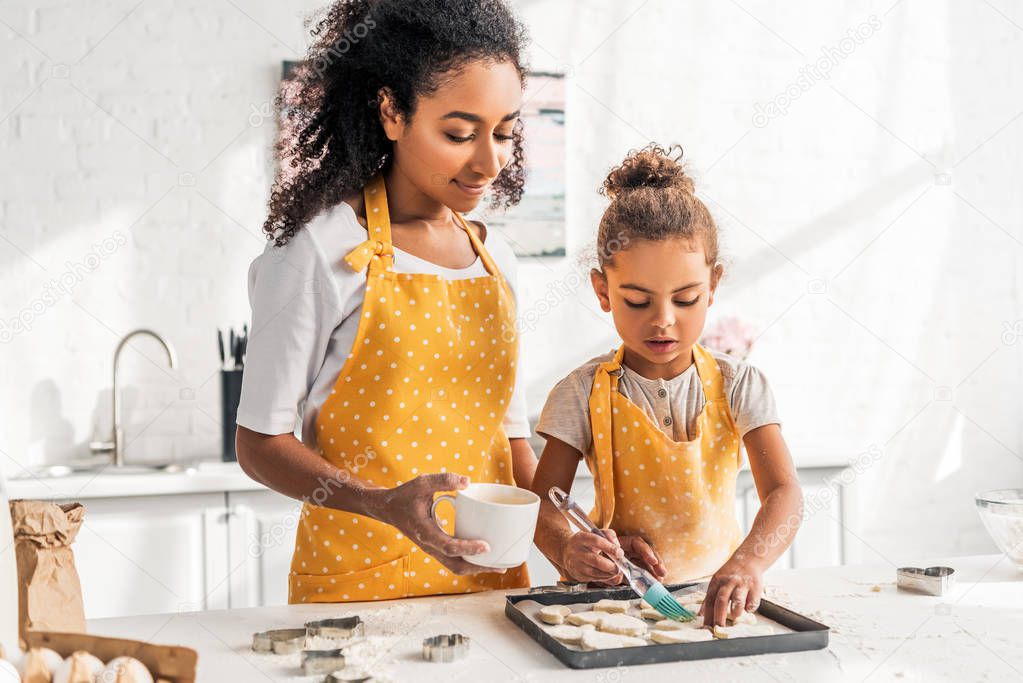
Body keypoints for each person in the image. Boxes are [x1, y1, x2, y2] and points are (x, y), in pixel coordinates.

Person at [235, 0, 536, 603]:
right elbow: (259, 444)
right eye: (459, 133)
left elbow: (510, 440)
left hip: (487, 589)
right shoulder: (320, 251)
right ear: (392, 112)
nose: (489, 161)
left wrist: (571, 533)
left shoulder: (496, 261)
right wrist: (384, 506)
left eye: (504, 132)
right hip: (357, 586)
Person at [530, 144, 803, 626]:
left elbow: (784, 492)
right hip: (612, 606)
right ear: (602, 291)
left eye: (686, 298)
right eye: (636, 300)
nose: (663, 321)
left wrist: (747, 563)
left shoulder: (739, 385)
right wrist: (572, 547)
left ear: (713, 285)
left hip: (714, 604)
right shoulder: (580, 392)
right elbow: (542, 508)